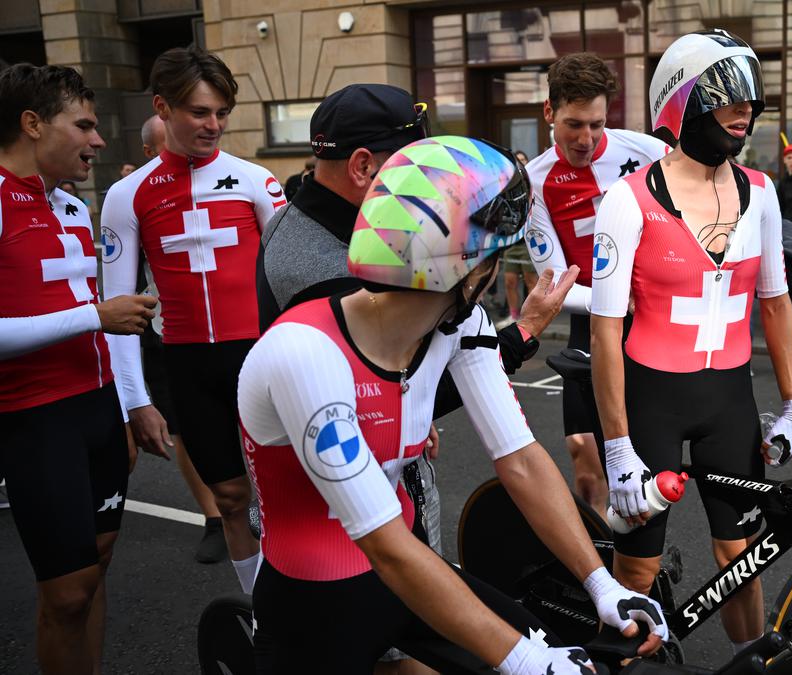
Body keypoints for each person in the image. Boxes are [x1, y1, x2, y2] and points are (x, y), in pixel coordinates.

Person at [239, 135, 666, 673]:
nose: (495, 276)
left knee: (561, 647)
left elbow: (520, 458)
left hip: (411, 574)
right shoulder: (303, 353)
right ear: (465, 267)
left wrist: (602, 585)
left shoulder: (460, 324)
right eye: (494, 258)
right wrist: (524, 662)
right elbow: (385, 544)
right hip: (316, 604)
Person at [592, 29, 792, 655]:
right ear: (679, 105)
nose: (745, 113)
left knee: (741, 560)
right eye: (726, 99)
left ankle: (753, 662)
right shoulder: (626, 201)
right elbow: (606, 330)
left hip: (729, 400)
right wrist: (618, 448)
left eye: (751, 101)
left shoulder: (761, 192)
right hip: (651, 400)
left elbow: (776, 302)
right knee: (637, 570)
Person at [101, 46, 286, 595]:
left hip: (262, 356)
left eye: (222, 113)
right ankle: (262, 613)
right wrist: (135, 400)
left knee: (290, 492)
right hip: (188, 363)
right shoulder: (125, 196)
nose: (214, 125)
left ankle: (307, 603)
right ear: (163, 108)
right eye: (200, 113)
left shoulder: (256, 180)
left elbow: (292, 281)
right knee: (230, 499)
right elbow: (119, 307)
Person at [0, 63, 159, 675]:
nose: (98, 140)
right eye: (84, 125)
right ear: (33, 124)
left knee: (90, 577)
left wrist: (128, 406)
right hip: (33, 419)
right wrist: (96, 316)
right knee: (64, 594)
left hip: (97, 412)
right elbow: (95, 318)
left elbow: (105, 323)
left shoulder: (69, 206)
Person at [522, 53, 667, 516]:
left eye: (597, 125)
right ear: (549, 112)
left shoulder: (647, 152)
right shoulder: (535, 182)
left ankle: (637, 558)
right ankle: (600, 559)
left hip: (649, 323)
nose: (586, 139)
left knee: (641, 456)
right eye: (573, 125)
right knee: (585, 456)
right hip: (592, 322)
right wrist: (613, 302)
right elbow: (556, 282)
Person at [109, 110, 227, 563]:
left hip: (232, 329)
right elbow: (119, 283)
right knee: (186, 428)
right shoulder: (132, 196)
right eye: (163, 144)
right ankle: (213, 516)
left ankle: (254, 510)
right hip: (165, 332)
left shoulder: (229, 179)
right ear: (147, 151)